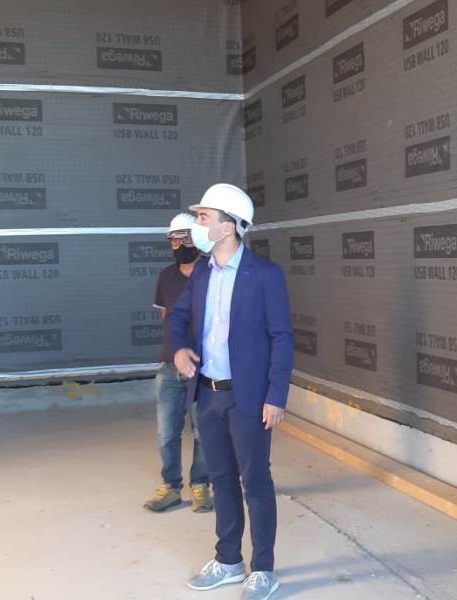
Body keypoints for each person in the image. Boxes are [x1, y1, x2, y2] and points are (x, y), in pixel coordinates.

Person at [168, 183, 293, 600]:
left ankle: (264, 569)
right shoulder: (203, 272)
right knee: (221, 479)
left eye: (204, 217)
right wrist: (178, 349)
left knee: (255, 482)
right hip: (207, 395)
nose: (197, 225)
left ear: (229, 226)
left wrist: (276, 396)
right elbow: (177, 316)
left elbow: (281, 337)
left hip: (249, 398)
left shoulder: (265, 275)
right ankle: (228, 560)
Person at [143, 213, 213, 513]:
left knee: (203, 431)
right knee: (167, 433)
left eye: (185, 238)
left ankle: (201, 486)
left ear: (197, 238)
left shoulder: (213, 272)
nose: (180, 244)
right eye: (174, 239)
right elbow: (166, 319)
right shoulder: (166, 277)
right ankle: (171, 487)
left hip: (204, 367)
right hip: (170, 366)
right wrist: (175, 350)